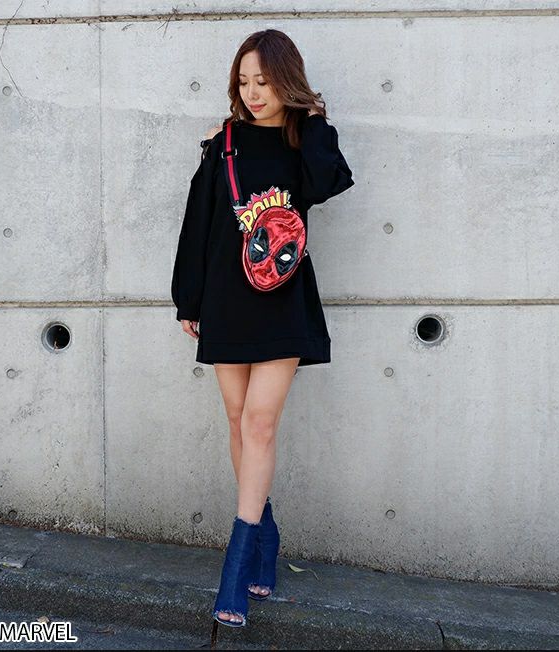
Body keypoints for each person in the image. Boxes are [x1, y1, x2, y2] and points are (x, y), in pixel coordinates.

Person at [170, 28, 355, 628]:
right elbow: (198, 222)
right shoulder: (222, 143)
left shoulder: (305, 141)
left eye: (265, 82)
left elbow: (329, 183)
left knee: (259, 422)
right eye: (244, 82)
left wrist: (315, 120)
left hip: (282, 299)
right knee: (236, 419)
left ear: (287, 83)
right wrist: (188, 298)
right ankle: (265, 534)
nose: (253, 93)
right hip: (226, 299)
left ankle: (236, 563)